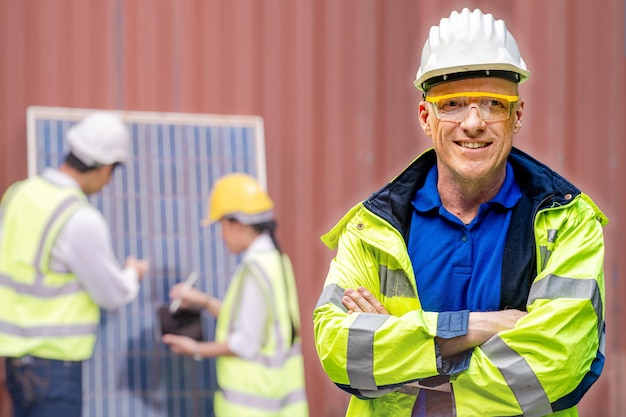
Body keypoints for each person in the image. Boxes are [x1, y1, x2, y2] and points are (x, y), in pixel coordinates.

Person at [313, 8, 607, 417]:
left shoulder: (567, 223)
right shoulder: (371, 228)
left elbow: (557, 363)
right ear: (426, 117)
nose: (473, 122)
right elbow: (341, 351)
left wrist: (408, 367)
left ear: (516, 116)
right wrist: (480, 326)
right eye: (451, 104)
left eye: (493, 104)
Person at [0, 112, 150, 417]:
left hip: (16, 360)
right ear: (106, 168)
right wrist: (132, 275)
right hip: (54, 368)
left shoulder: (18, 194)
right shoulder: (80, 218)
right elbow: (110, 294)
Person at [162, 173, 309, 417]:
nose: (221, 235)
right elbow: (259, 325)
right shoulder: (276, 261)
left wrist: (195, 348)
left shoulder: (255, 269)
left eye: (221, 225)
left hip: (252, 408)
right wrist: (206, 302)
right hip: (277, 402)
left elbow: (245, 343)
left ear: (238, 224)